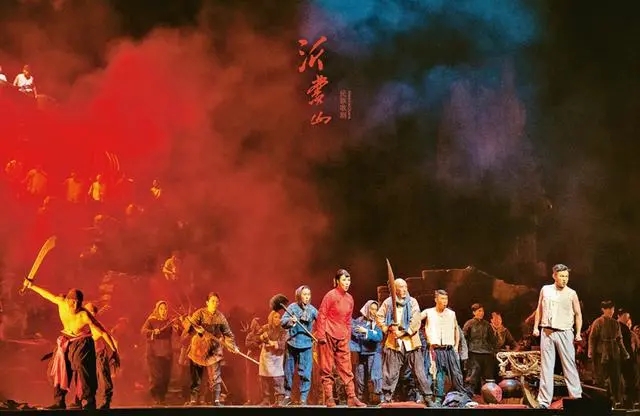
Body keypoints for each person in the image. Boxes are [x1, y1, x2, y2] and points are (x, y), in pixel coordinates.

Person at [23, 281, 119, 410]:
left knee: (83, 370)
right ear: (67, 300)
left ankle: (89, 401)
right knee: (61, 369)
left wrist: (114, 351)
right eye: (73, 302)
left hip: (82, 342)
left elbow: (103, 332)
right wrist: (31, 286)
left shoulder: (84, 315)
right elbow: (47, 295)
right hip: (66, 340)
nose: (76, 305)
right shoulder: (61, 303)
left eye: (79, 302)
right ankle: (59, 401)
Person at [376, 279, 435, 406]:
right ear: (395, 289)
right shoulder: (388, 302)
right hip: (394, 342)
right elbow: (379, 316)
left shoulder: (412, 302)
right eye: (401, 287)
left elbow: (416, 320)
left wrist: (402, 333)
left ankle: (427, 397)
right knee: (390, 372)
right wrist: (387, 328)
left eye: (405, 287)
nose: (404, 289)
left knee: (419, 371)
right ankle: (386, 397)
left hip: (411, 342)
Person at [532, 264, 583, 409]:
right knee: (546, 367)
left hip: (565, 332)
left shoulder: (571, 293)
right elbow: (539, 309)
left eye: (566, 276)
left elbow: (578, 314)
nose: (564, 279)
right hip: (547, 332)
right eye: (561, 276)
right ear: (554, 276)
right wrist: (536, 327)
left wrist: (578, 333)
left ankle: (576, 397)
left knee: (569, 365)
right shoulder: (545, 289)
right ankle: (544, 401)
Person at [315, 269, 366, 407]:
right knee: (326, 367)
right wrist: (321, 335)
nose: (347, 282)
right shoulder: (330, 295)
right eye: (344, 280)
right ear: (337, 281)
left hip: (342, 335)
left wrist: (347, 337)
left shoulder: (350, 299)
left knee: (346, 367)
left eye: (348, 280)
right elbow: (322, 315)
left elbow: (348, 320)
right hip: (328, 334)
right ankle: (329, 398)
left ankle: (351, 397)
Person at [182, 292, 239, 406]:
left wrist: (233, 346)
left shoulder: (220, 317)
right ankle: (193, 400)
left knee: (215, 376)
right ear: (207, 302)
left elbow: (228, 334)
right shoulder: (199, 313)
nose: (215, 303)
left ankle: (216, 400)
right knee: (196, 377)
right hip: (198, 349)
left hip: (213, 350)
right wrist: (197, 329)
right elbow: (189, 327)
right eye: (213, 301)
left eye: (217, 301)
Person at [422, 290, 469, 406]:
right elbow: (416, 320)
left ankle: (462, 396)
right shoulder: (429, 312)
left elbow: (456, 329)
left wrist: (456, 346)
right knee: (439, 374)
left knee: (456, 373)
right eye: (442, 299)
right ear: (436, 300)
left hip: (449, 349)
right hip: (436, 349)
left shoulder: (451, 314)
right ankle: (438, 398)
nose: (445, 301)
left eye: (446, 299)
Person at [281, 285, 318, 406]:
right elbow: (282, 322)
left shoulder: (312, 310)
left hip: (306, 345)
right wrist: (291, 321)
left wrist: (317, 335)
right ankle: (287, 396)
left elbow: (322, 322)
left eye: (309, 294)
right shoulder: (292, 307)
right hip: (292, 343)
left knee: (305, 373)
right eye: (304, 294)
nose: (307, 297)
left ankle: (303, 398)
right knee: (288, 372)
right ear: (299, 295)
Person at [588, 301, 629, 407]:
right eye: (609, 309)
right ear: (603, 310)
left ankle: (617, 401)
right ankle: (601, 402)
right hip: (601, 353)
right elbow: (592, 338)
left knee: (616, 378)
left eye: (613, 309)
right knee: (600, 378)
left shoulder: (615, 323)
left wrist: (624, 352)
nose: (611, 311)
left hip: (614, 353)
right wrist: (590, 351)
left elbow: (619, 339)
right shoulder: (598, 322)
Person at [141, 300, 179, 405]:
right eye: (161, 309)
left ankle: (162, 398)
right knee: (157, 378)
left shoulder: (169, 321)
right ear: (157, 309)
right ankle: (156, 398)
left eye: (165, 309)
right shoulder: (151, 320)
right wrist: (153, 332)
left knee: (166, 377)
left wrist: (177, 328)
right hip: (154, 353)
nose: (164, 311)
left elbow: (178, 333)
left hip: (166, 353)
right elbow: (143, 331)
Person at [351, 300, 383, 404]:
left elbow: (379, 337)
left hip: (374, 353)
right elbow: (354, 331)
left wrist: (366, 331)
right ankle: (361, 399)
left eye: (376, 309)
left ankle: (377, 399)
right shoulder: (359, 321)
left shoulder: (378, 322)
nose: (374, 312)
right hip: (361, 353)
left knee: (374, 376)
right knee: (360, 377)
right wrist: (368, 334)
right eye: (372, 309)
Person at [463, 303, 497, 394]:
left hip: (486, 353)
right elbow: (464, 338)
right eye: (479, 311)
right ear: (474, 312)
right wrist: (465, 352)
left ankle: (489, 394)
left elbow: (492, 339)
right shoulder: (469, 323)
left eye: (482, 311)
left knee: (488, 375)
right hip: (474, 352)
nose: (481, 313)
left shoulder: (487, 324)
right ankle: (469, 393)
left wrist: (494, 350)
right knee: (473, 374)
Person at [257, 311, 288, 405]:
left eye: (279, 317)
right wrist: (261, 337)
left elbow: (284, 342)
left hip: (277, 356)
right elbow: (255, 337)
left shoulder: (283, 330)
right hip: (266, 355)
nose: (278, 319)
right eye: (275, 317)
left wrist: (275, 344)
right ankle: (266, 399)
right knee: (264, 377)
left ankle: (280, 399)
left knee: (278, 377)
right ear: (271, 318)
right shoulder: (265, 328)